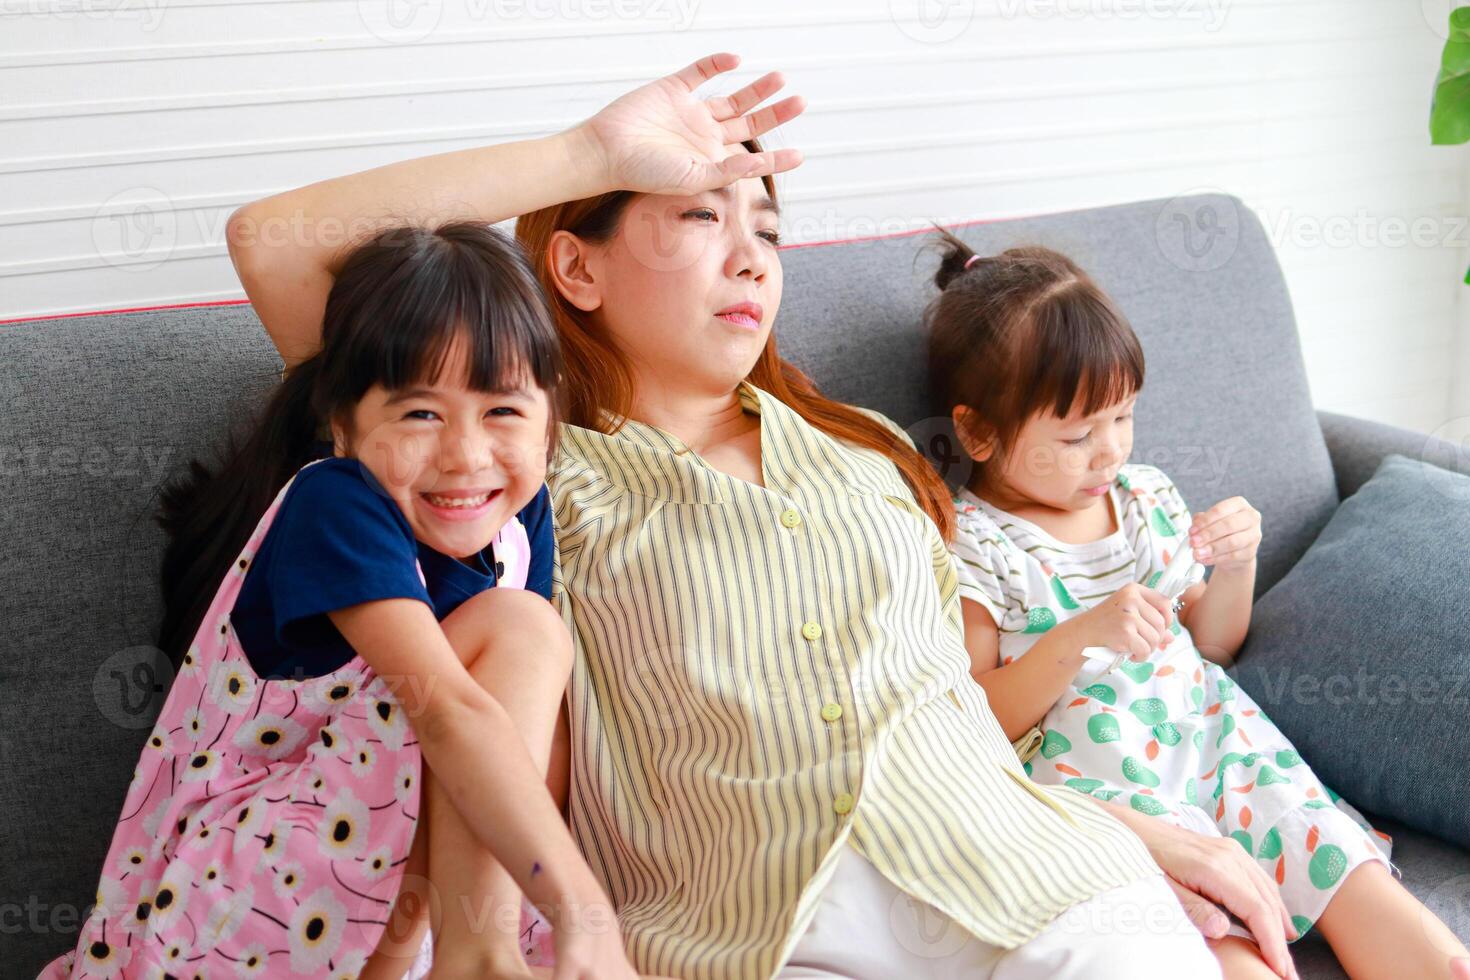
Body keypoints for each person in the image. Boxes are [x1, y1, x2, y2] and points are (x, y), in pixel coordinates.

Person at [228, 52, 1314, 980]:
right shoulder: (524, 464)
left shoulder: (872, 455)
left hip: (1034, 880)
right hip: (748, 935)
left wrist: (1146, 834)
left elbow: (957, 712)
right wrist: (594, 155)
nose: (751, 254)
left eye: (767, 228)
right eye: (700, 215)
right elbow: (274, 241)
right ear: (575, 264)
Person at [39, 222, 653, 979]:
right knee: (518, 632)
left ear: (548, 416)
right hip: (243, 899)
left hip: (385, 919)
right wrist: (581, 912)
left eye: (503, 412)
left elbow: (511, 749)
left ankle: (471, 953)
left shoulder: (521, 516)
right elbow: (450, 715)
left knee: (528, 683)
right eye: (420, 414)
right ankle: (480, 958)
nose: (466, 456)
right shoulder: (334, 501)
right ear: (343, 426)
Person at [925, 235, 1470, 979]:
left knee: (1353, 875)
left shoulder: (1145, 497)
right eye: (1078, 434)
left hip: (1224, 743)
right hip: (1106, 778)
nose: (1110, 451)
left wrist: (1239, 562)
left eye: (1123, 418)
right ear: (979, 432)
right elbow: (974, 723)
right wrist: (1083, 635)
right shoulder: (973, 545)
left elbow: (1216, 646)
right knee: (1230, 939)